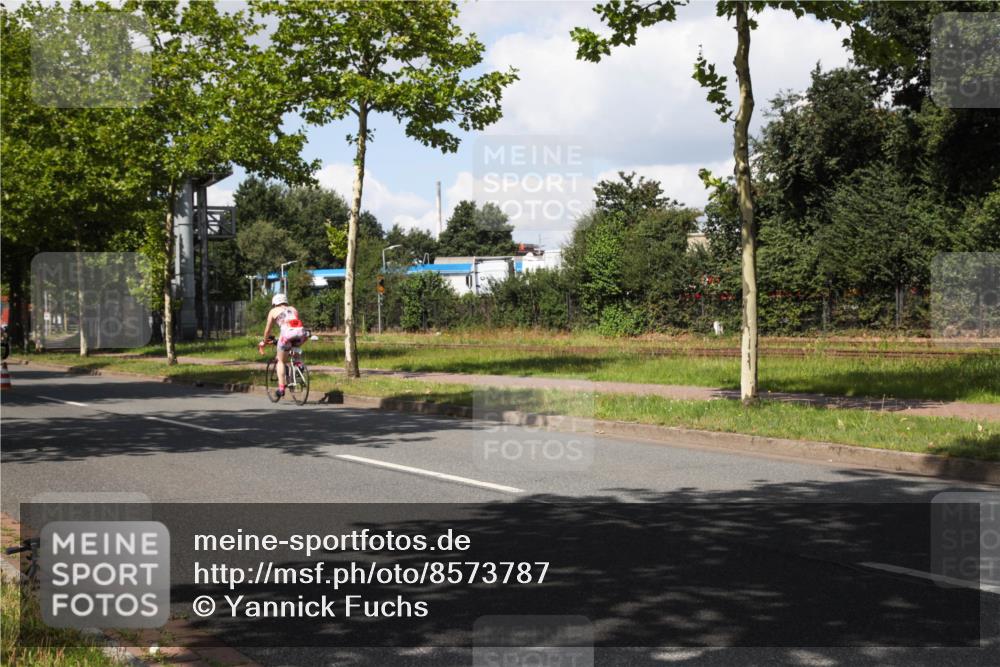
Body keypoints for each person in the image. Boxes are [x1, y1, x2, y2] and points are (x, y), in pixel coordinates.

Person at [259, 293, 307, 398]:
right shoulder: (293, 309)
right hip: (301, 334)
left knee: (281, 361)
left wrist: (264, 341)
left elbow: (268, 330)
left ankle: (281, 389)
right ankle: (298, 365)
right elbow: (292, 324)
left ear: (274, 303)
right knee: (294, 351)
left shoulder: (273, 311)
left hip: (287, 336)